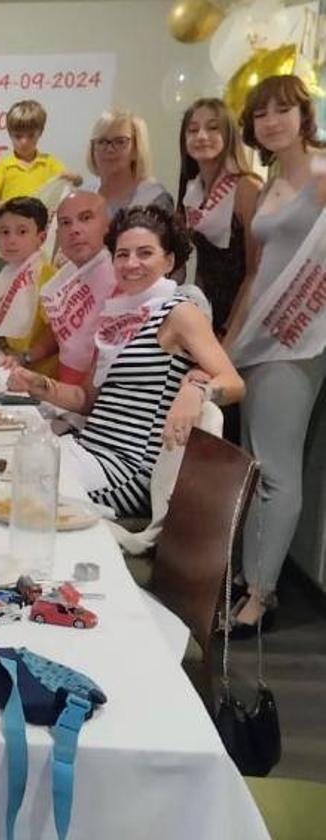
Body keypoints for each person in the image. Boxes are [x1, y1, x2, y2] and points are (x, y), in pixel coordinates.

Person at [7, 207, 243, 517]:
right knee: (2, 470)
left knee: (24, 495)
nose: (131, 264)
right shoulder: (115, 317)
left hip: (129, 472)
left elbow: (234, 382)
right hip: (86, 449)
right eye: (122, 254)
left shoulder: (179, 311)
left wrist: (198, 392)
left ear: (169, 262)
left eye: (145, 253)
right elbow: (86, 399)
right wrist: (38, 384)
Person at [225, 75, 326, 636]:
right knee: (252, 464)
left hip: (300, 337)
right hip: (260, 335)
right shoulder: (266, 188)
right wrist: (228, 341)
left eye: (283, 110)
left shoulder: (322, 172)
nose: (272, 122)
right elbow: (255, 274)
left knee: (278, 469)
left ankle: (261, 596)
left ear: (302, 114)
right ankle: (249, 577)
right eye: (261, 114)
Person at [176, 97, 263, 337]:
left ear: (229, 134)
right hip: (210, 317)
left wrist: (227, 333)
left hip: (247, 320)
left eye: (213, 128)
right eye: (193, 130)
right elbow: (203, 267)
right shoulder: (192, 192)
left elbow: (256, 272)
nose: (201, 136)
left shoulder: (248, 188)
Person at [39, 190, 119, 384]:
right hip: (65, 390)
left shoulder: (122, 279)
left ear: (107, 225)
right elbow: (61, 332)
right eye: (66, 222)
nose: (74, 229)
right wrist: (24, 358)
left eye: (85, 218)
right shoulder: (69, 273)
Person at [0, 197, 59, 375]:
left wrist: (25, 357)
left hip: (41, 375)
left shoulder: (48, 277)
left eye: (22, 232)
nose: (11, 240)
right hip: (12, 365)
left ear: (41, 237)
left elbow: (56, 331)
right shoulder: (8, 272)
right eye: (4, 232)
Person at [0, 100, 82, 211]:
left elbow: (77, 182)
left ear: (40, 133)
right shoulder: (4, 165)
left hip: (41, 225)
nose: (24, 142)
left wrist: (75, 177)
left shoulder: (49, 162)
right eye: (18, 136)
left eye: (31, 135)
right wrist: (5, 208)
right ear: (10, 134)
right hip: (13, 224)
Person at [88, 108, 173, 218]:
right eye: (102, 141)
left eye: (120, 141)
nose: (109, 149)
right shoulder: (84, 196)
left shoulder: (155, 198)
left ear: (136, 149)